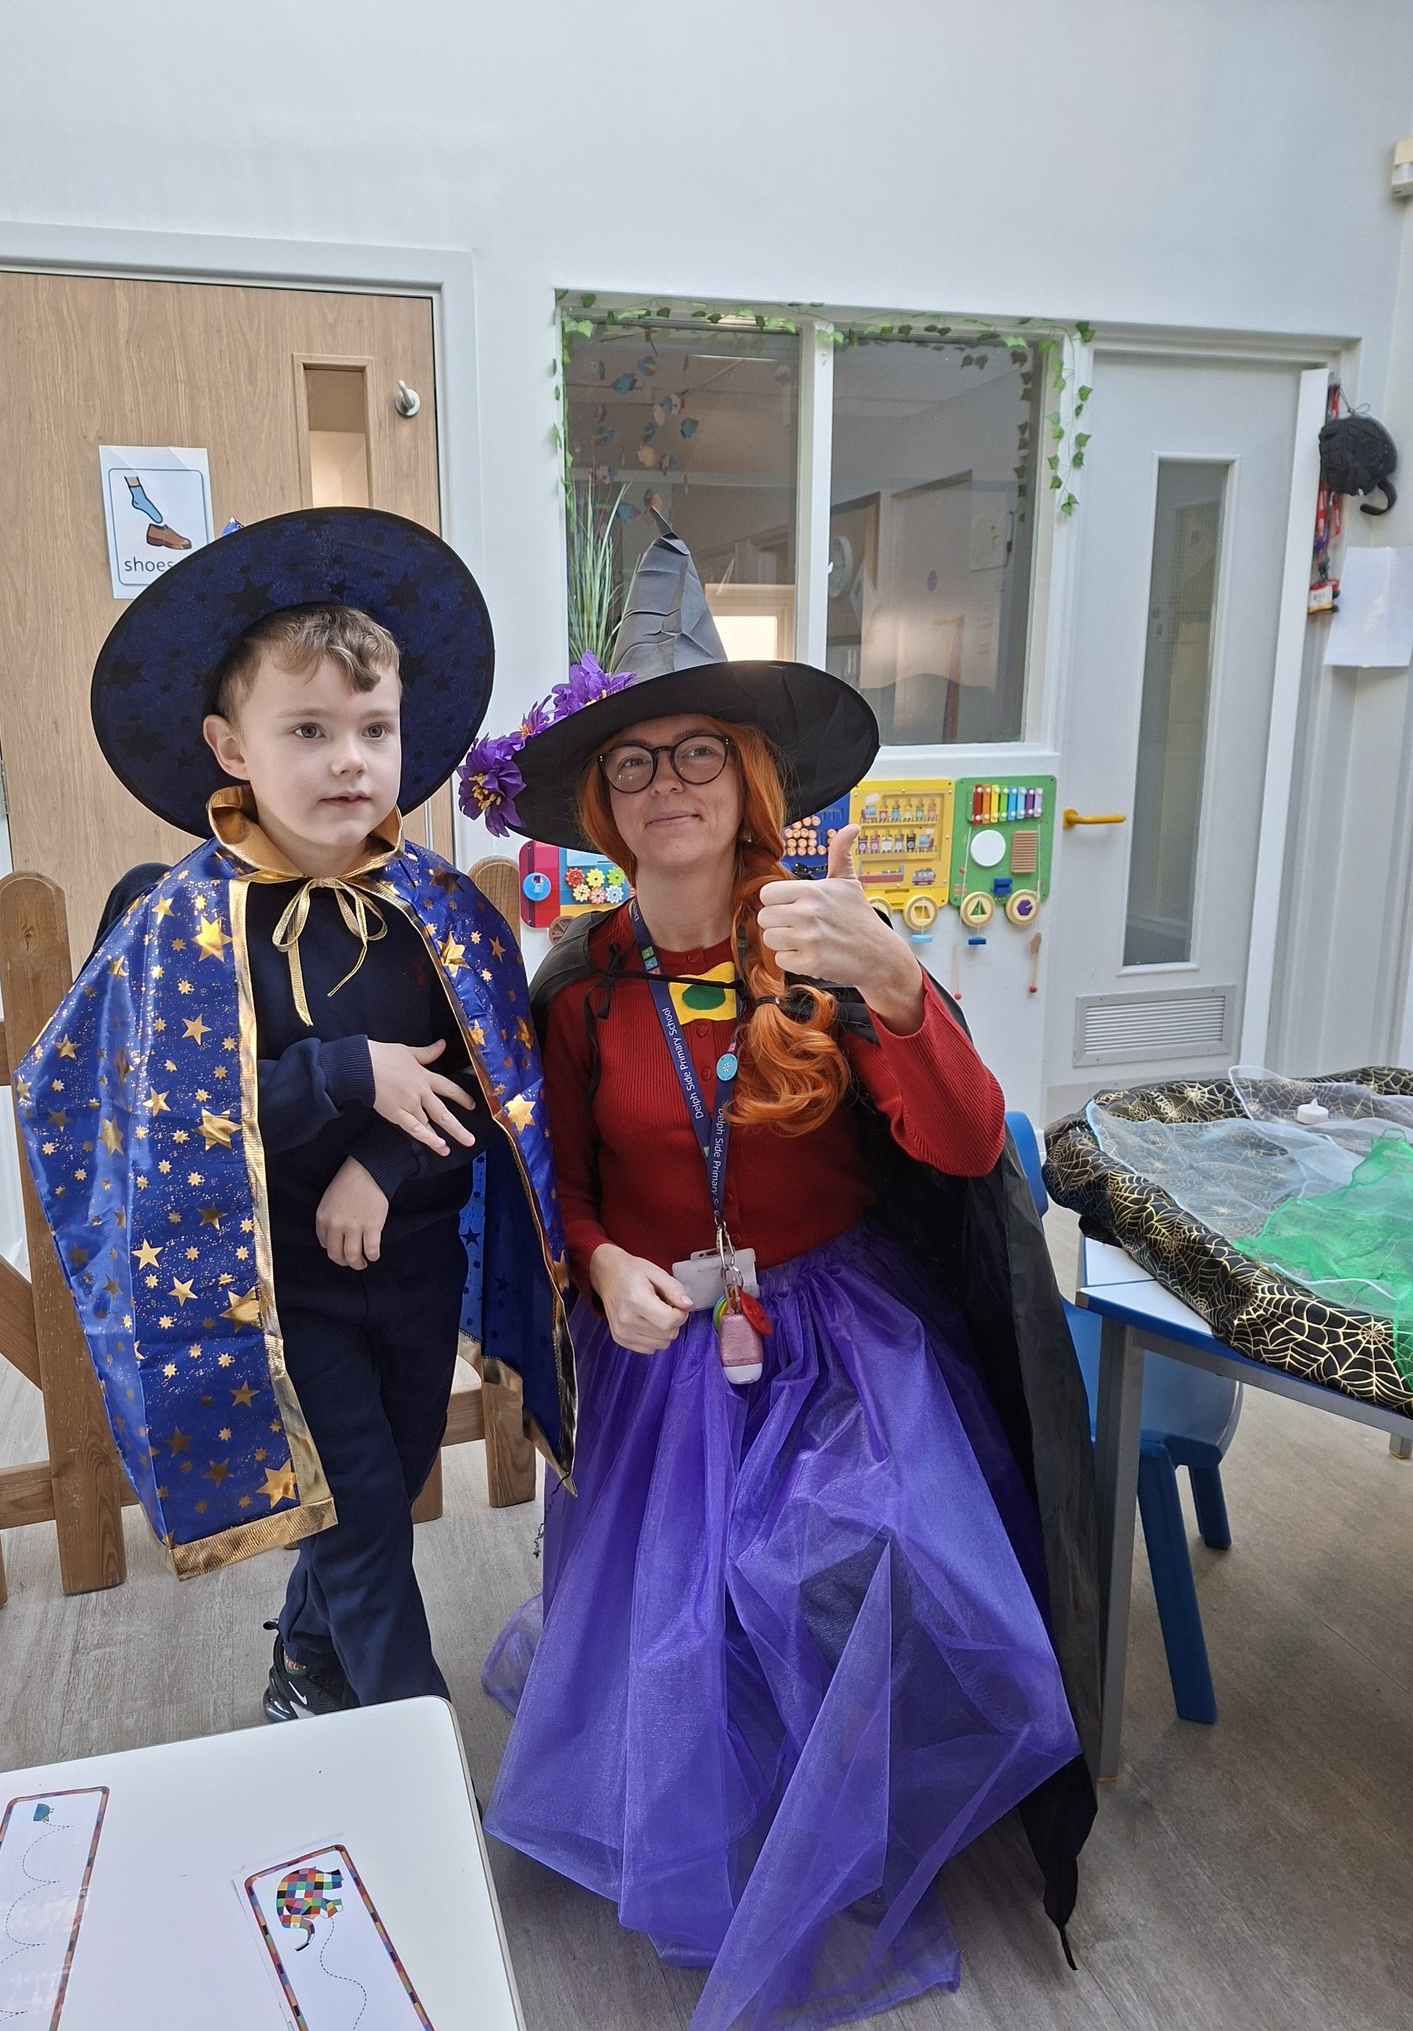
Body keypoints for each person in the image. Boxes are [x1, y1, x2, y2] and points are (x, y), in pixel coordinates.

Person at [462, 526, 1099, 2030]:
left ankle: (850, 1807)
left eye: (699, 751)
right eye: (633, 763)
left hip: (842, 1329)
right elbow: (559, 1188)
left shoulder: (823, 938)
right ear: (603, 805)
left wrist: (895, 982)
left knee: (855, 1562)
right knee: (687, 1607)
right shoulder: (584, 983)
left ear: (750, 776)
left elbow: (962, 1145)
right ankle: (736, 1807)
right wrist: (599, 1263)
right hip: (666, 1346)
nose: (666, 783)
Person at [13, 507, 575, 1719]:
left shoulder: (440, 909)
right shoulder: (183, 920)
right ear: (232, 745)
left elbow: (488, 1079)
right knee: (363, 1514)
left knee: (393, 1473)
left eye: (373, 730)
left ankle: (305, 1658)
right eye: (307, 731)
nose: (348, 762)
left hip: (412, 1260)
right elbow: (166, 1121)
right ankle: (414, 1739)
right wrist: (345, 1072)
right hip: (281, 1289)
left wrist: (382, 1160)